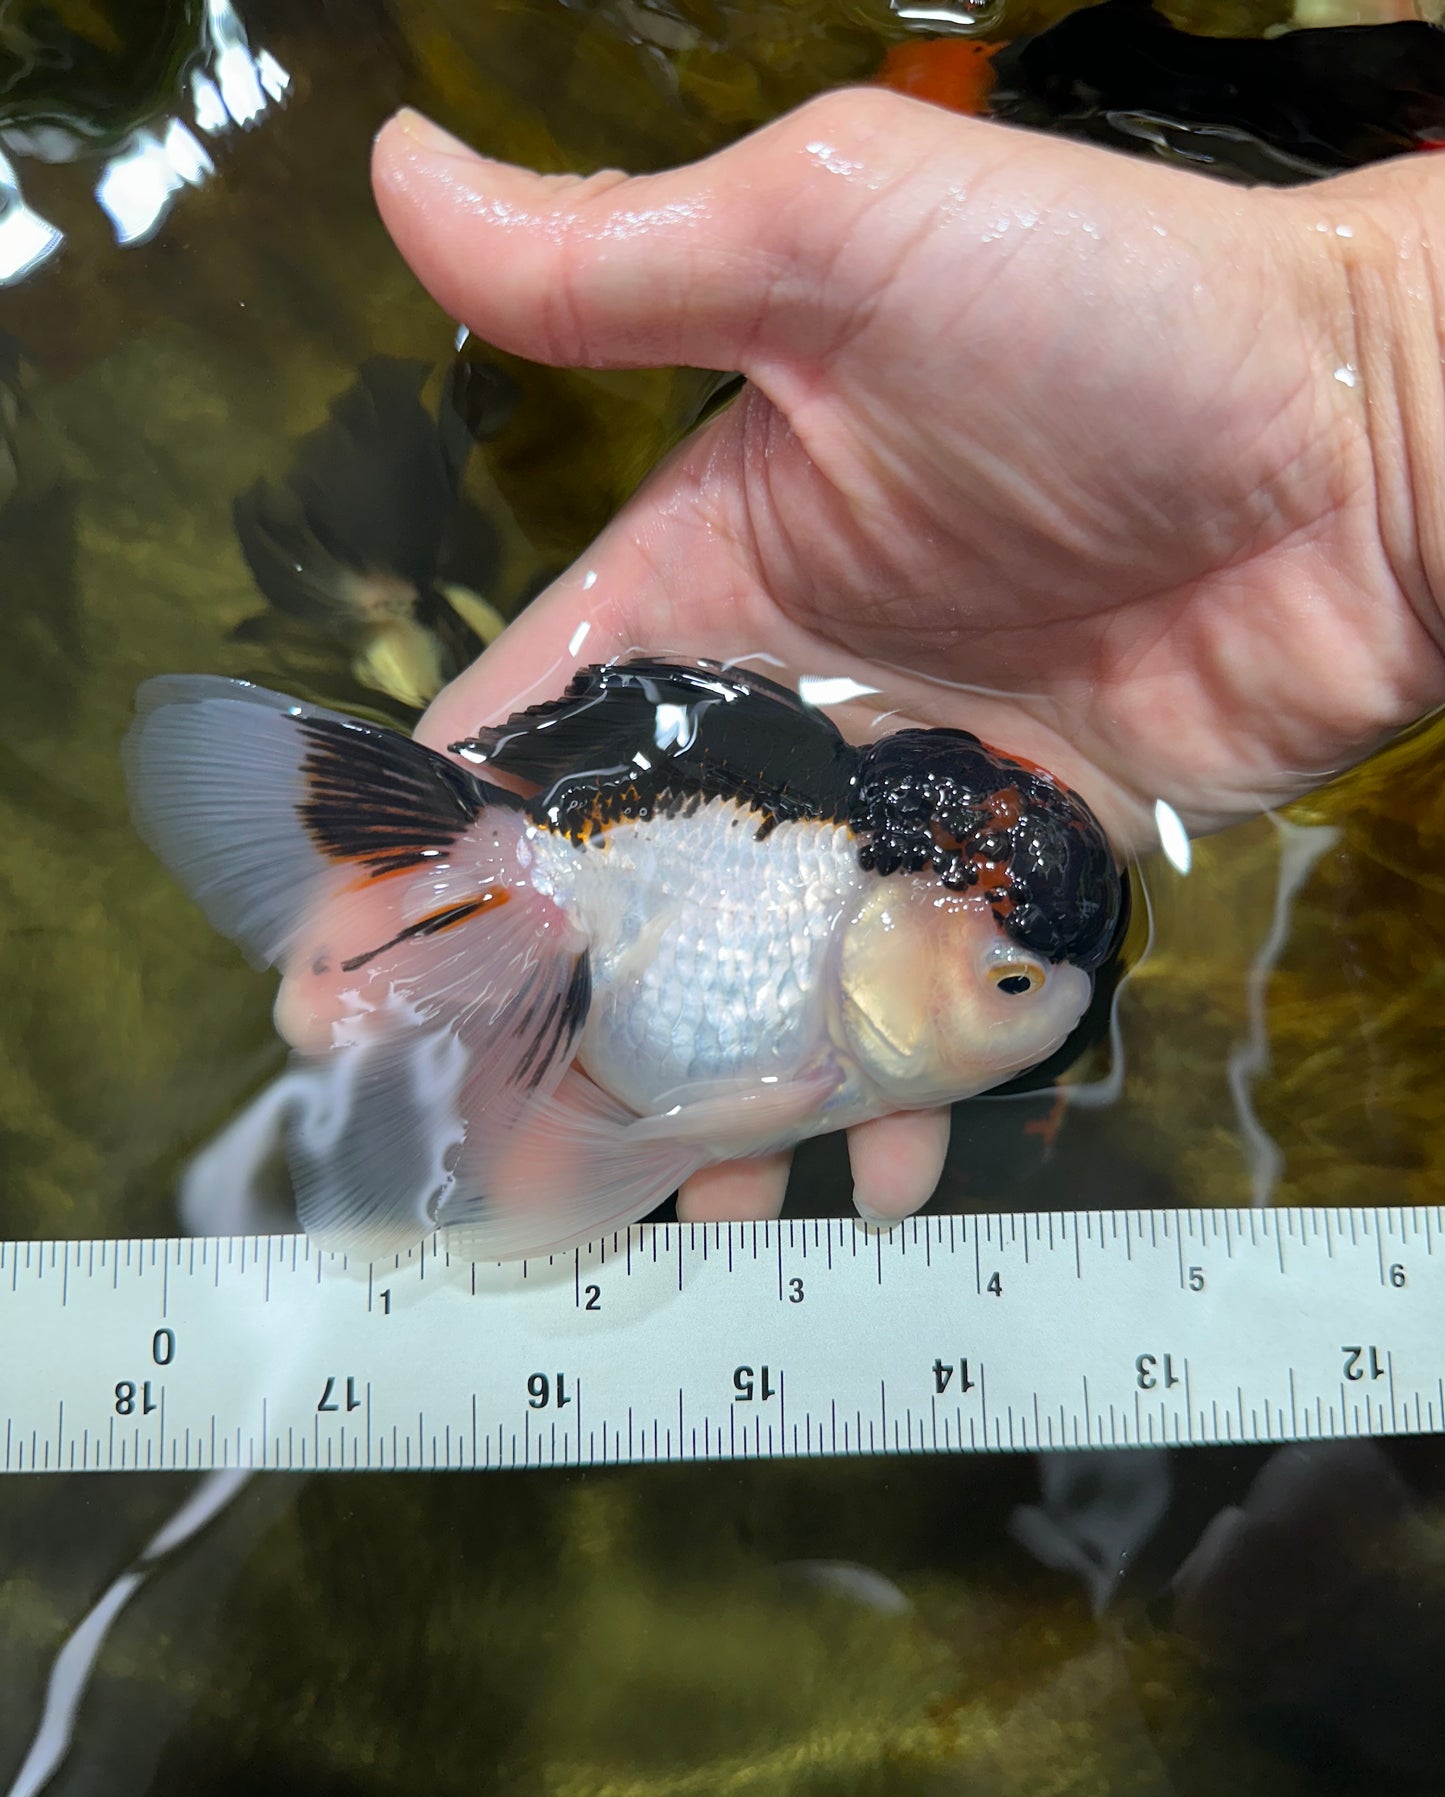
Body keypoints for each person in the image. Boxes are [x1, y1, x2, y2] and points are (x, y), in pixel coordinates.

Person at [369, 89, 1445, 1226]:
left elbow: (680, 1123)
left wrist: (1384, 373)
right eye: (1010, 982)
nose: (1042, 1005)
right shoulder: (830, 958)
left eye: (1016, 981)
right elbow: (678, 1123)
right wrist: (1379, 379)